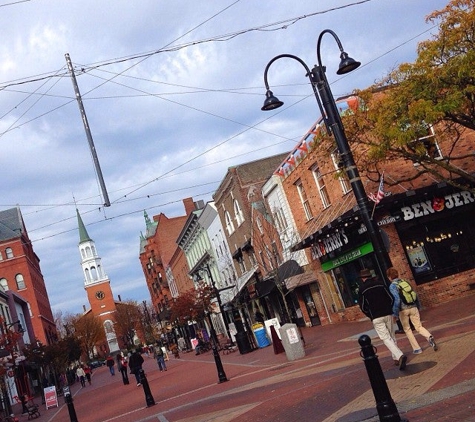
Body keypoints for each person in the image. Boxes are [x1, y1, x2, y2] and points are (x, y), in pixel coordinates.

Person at [358, 268, 407, 370]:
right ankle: (396, 358)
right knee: (392, 335)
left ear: (363, 278)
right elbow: (391, 298)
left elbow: (362, 306)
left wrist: (370, 315)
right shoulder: (381, 284)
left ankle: (399, 355)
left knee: (385, 338)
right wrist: (389, 308)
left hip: (376, 317)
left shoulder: (362, 290)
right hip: (387, 314)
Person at [387, 267, 438, 354]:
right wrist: (418, 306)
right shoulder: (405, 282)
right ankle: (429, 336)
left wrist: (395, 314)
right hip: (413, 307)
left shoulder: (392, 286)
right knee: (418, 326)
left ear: (389, 277)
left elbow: (397, 300)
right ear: (397, 274)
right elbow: (415, 294)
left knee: (407, 329)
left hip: (403, 310)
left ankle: (417, 349)